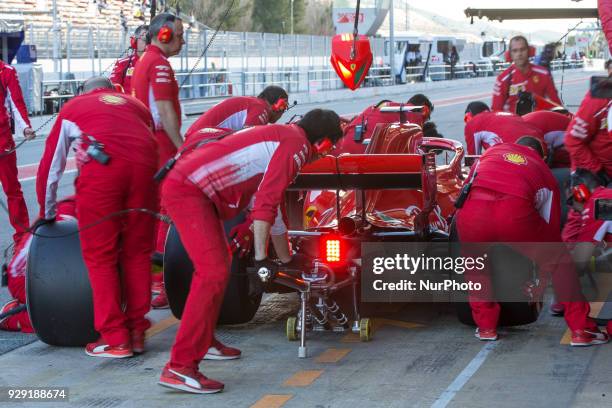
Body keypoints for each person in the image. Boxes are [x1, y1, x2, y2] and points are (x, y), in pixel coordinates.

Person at [157, 109, 343, 394]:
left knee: (219, 267)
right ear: (323, 142)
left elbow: (273, 209)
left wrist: (286, 259)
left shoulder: (284, 137)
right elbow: (265, 206)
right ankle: (179, 367)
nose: (325, 154)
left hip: (195, 189)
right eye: (330, 147)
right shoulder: (297, 147)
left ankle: (203, 340)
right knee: (213, 272)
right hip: (190, 191)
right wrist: (260, 260)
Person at [36, 77, 159, 358]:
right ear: (115, 91)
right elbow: (149, 142)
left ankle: (116, 338)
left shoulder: (73, 107)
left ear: (84, 91)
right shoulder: (137, 105)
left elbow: (50, 167)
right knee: (138, 252)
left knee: (100, 255)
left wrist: (47, 214)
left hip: (104, 173)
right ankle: (137, 331)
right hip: (146, 172)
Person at [455, 137, 608, 346]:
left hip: (474, 213)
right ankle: (581, 329)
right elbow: (552, 237)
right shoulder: (544, 172)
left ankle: (486, 327)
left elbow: (464, 190)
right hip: (514, 213)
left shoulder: (491, 152)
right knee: (560, 260)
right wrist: (540, 284)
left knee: (474, 263)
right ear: (543, 156)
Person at [131, 12, 185, 287]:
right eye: (179, 34)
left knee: (154, 212)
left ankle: (153, 279)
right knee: (168, 210)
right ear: (163, 34)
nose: (183, 41)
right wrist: (181, 147)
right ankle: (163, 281)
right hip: (162, 143)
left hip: (147, 142)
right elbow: (164, 110)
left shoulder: (144, 60)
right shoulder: (159, 64)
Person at [0, 197, 77, 333]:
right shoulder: (68, 214)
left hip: (51, 271)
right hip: (24, 277)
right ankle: (14, 318)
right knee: (69, 317)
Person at [0, 60, 36, 245]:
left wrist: (25, 128)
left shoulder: (6, 71)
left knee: (12, 191)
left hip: (2, 143)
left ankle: (22, 239)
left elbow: (16, 102)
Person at [335, 94, 434, 154]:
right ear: (425, 110)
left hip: (341, 153)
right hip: (363, 158)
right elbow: (415, 153)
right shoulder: (413, 113)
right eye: (426, 119)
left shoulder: (375, 108)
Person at [185, 85, 289, 140]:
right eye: (284, 106)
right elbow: (249, 139)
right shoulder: (261, 108)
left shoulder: (254, 103)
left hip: (198, 135)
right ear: (278, 105)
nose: (283, 111)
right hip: (200, 139)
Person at [492, 35, 562, 113]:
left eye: (522, 49)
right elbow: (496, 111)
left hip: (538, 122)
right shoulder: (502, 79)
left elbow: (556, 105)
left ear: (530, 51)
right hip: (513, 123)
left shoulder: (543, 74)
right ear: (510, 55)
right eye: (515, 51)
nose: (519, 54)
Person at [463, 101, 544, 156]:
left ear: (470, 115)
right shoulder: (508, 114)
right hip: (540, 150)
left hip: (515, 158)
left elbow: (473, 158)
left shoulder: (473, 122)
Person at [109, 25, 149, 94]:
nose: (148, 43)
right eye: (145, 39)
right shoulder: (122, 64)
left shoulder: (158, 64)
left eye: (151, 40)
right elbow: (112, 90)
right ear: (134, 41)